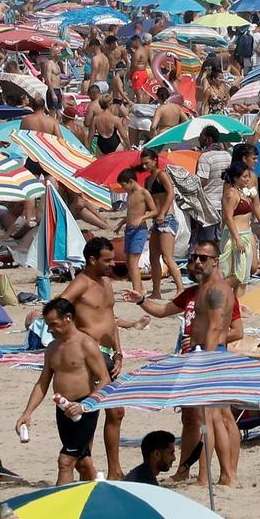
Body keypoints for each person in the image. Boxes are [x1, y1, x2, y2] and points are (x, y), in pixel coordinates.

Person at [126, 240, 242, 486]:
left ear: (215, 261)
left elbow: (215, 329)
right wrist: (141, 300)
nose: (197, 262)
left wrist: (205, 359)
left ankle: (215, 476)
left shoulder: (217, 290)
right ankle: (221, 475)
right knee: (208, 419)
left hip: (209, 355)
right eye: (193, 258)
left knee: (213, 419)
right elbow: (163, 311)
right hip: (202, 354)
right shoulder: (201, 290)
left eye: (203, 258)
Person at [15, 298, 110, 485]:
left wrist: (85, 405)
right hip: (62, 409)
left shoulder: (86, 344)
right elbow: (42, 383)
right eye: (48, 325)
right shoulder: (52, 348)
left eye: (53, 324)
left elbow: (105, 379)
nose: (50, 330)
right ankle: (100, 490)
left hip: (85, 409)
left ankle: (58, 499)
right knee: (82, 462)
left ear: (68, 318)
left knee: (65, 461)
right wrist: (27, 413)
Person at [59, 237, 126, 480]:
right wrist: (76, 340)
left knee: (115, 412)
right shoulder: (81, 283)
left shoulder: (106, 282)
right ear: (92, 260)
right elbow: (58, 308)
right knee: (92, 411)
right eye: (107, 260)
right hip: (90, 353)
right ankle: (85, 466)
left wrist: (119, 352)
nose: (112, 264)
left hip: (108, 354)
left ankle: (113, 470)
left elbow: (110, 318)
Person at [220, 162, 260, 298]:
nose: (247, 179)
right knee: (236, 275)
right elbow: (228, 217)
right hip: (236, 235)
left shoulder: (243, 192)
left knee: (244, 276)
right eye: (244, 177)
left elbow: (256, 207)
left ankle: (237, 304)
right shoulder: (231, 193)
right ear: (236, 178)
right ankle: (228, 301)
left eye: (248, 176)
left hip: (246, 233)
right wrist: (237, 239)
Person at [140, 148, 182, 298]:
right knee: (153, 257)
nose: (144, 166)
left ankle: (180, 288)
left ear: (154, 160)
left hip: (167, 218)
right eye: (143, 163)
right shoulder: (148, 179)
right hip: (157, 220)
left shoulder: (161, 174)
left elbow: (171, 193)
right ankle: (156, 291)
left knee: (167, 257)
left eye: (147, 163)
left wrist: (163, 212)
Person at [116, 168, 156, 296]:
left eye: (124, 185)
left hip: (139, 230)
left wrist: (142, 218)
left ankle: (136, 290)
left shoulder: (143, 193)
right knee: (129, 261)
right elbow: (131, 213)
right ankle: (141, 288)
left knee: (133, 261)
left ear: (131, 181)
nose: (123, 188)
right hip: (129, 230)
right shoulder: (130, 194)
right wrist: (121, 224)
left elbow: (154, 211)